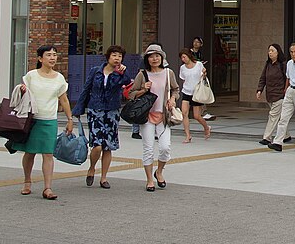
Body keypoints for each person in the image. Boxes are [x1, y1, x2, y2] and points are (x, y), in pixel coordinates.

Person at [13, 45, 73, 200]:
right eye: (49, 55)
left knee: (48, 154)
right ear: (40, 58)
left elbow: (64, 99)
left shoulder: (59, 78)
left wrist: (70, 119)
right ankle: (27, 181)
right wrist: (22, 90)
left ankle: (47, 188)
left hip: (49, 121)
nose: (52, 58)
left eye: (54, 55)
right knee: (30, 152)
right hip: (32, 120)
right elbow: (22, 92)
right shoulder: (31, 75)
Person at [71, 45, 132, 189]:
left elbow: (127, 82)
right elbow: (86, 89)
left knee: (108, 146)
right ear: (108, 57)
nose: (117, 58)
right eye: (114, 55)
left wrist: (122, 73)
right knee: (97, 145)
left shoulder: (120, 73)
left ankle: (104, 177)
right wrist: (79, 108)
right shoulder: (95, 71)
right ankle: (92, 168)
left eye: (120, 56)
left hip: (112, 111)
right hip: (95, 110)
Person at [128, 43, 179, 191]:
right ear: (147, 59)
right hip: (147, 117)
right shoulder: (142, 75)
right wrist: (144, 89)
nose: (154, 59)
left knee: (165, 148)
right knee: (148, 149)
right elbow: (131, 94)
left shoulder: (168, 73)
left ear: (162, 58)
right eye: (151, 56)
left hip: (163, 116)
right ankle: (149, 179)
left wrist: (173, 99)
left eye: (157, 56)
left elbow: (176, 89)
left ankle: (159, 172)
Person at [256, 43, 290, 145]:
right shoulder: (268, 65)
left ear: (278, 52)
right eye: (269, 51)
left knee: (273, 116)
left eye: (272, 51)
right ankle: (287, 135)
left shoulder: (283, 64)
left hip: (280, 95)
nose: (270, 53)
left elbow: (288, 79)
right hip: (270, 95)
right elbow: (263, 78)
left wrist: (286, 91)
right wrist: (259, 90)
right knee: (279, 117)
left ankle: (267, 137)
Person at [178, 49, 211, 143]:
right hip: (186, 92)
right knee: (184, 113)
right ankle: (188, 135)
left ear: (189, 56)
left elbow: (203, 77)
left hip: (197, 93)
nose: (183, 59)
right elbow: (183, 79)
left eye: (184, 57)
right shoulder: (182, 68)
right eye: (181, 58)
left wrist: (204, 73)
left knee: (197, 116)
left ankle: (206, 127)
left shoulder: (199, 65)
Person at [188, 37, 216, 121]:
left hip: (199, 75)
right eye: (194, 42)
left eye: (198, 42)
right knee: (192, 95)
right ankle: (189, 113)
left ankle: (202, 112)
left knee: (200, 94)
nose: (196, 43)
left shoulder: (200, 53)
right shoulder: (189, 52)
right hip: (191, 77)